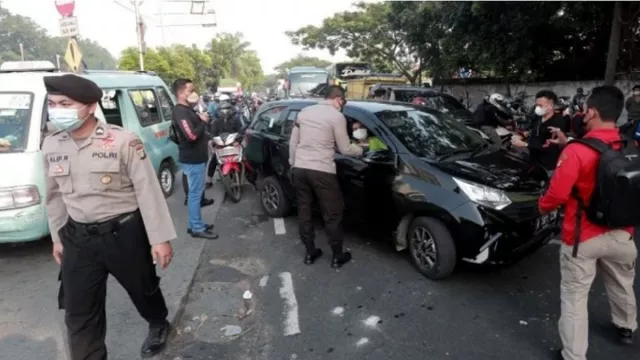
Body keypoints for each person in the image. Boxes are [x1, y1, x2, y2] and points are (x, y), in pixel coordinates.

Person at [41, 74, 176, 359]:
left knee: (144, 291)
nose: (57, 110)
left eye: (65, 103)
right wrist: (57, 238)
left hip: (124, 234)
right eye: (52, 104)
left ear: (90, 107)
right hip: (77, 239)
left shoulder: (122, 141)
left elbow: (148, 192)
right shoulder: (52, 145)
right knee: (79, 312)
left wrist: (159, 238)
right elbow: (54, 197)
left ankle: (158, 322)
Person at [538, 86, 637, 360]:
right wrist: (566, 142)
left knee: (575, 298)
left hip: (583, 238)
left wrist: (540, 207)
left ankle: (573, 355)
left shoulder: (577, 152)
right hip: (623, 234)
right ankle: (626, 327)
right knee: (622, 282)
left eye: (584, 110)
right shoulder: (631, 145)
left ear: (591, 112)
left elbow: (556, 194)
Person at [289, 85, 363, 269]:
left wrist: (293, 163)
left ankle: (309, 252)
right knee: (333, 213)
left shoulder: (304, 112)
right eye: (343, 101)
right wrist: (362, 149)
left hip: (300, 167)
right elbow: (345, 148)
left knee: (304, 211)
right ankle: (337, 255)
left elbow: (293, 141)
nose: (342, 105)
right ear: (338, 99)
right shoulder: (336, 116)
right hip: (322, 170)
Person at [172, 78, 217, 239]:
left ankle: (195, 224)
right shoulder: (180, 112)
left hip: (197, 157)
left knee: (195, 193)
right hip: (192, 159)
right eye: (190, 91)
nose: (193, 94)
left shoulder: (188, 109)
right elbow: (191, 135)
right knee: (195, 195)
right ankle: (197, 227)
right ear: (181, 93)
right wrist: (203, 122)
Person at [511, 90, 567, 170]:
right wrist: (524, 135)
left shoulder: (558, 121)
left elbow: (549, 147)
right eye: (536, 105)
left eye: (540, 105)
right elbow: (533, 129)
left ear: (550, 106)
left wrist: (525, 144)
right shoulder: (538, 117)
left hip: (546, 164)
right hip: (534, 159)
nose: (537, 108)